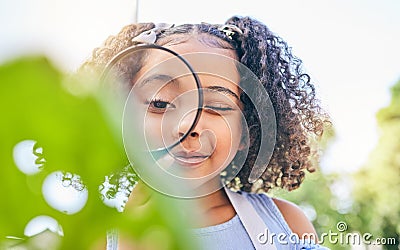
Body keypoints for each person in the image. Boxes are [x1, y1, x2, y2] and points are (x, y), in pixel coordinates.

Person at [81, 15, 330, 250]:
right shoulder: (97, 236)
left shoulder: (285, 224)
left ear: (247, 130)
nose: (188, 126)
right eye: (160, 102)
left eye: (217, 106)